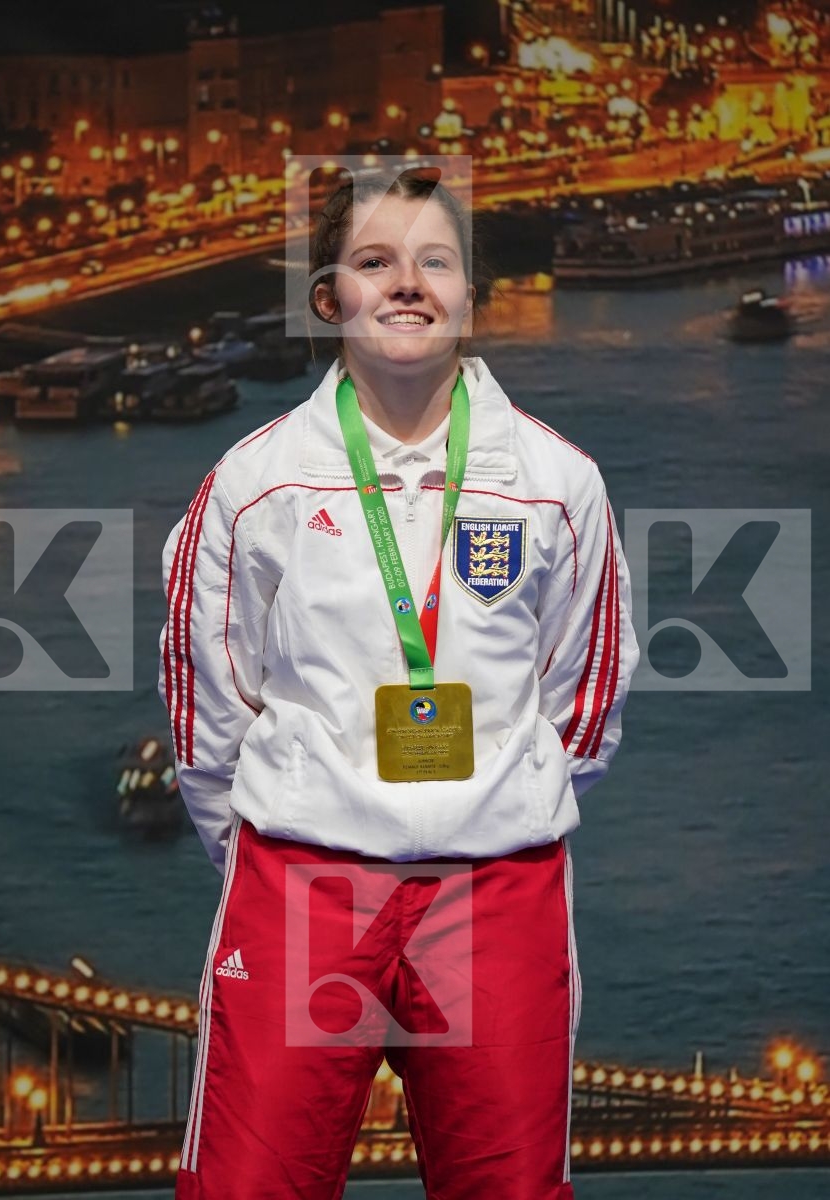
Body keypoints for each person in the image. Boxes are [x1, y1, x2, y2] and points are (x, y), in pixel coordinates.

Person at [158, 168, 640, 1200]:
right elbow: (208, 708)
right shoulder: (254, 485)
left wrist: (491, 799)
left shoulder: (560, 484)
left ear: (472, 294)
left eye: (436, 261)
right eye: (375, 262)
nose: (408, 284)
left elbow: (586, 702)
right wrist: (285, 828)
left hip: (497, 893)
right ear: (328, 298)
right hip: (302, 887)